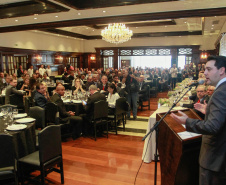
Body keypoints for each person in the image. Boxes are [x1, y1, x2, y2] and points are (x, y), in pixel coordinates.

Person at [171, 55, 226, 185]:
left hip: (214, 159)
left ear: (222, 70)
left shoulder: (220, 92)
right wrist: (209, 112)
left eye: (209, 69)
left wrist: (187, 121)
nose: (205, 73)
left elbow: (212, 127)